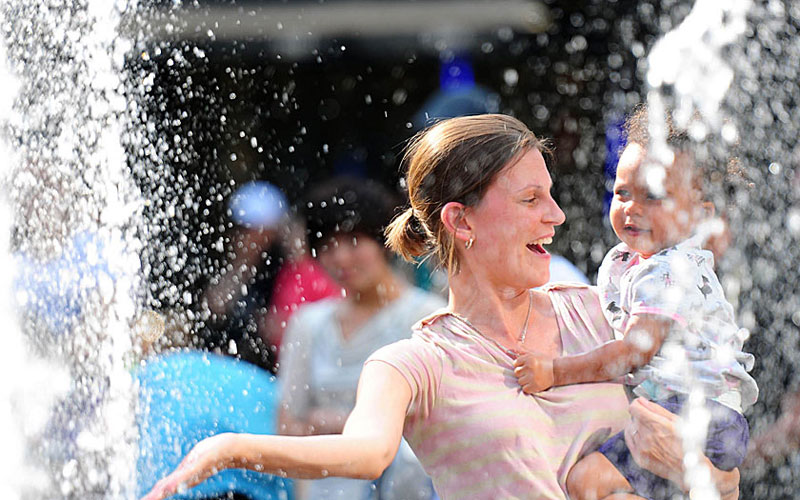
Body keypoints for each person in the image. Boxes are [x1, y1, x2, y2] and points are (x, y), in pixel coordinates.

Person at [141, 114, 741, 500]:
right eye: (532, 199)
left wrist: (708, 476)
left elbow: (715, 472)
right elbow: (363, 454)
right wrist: (227, 448)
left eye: (552, 197)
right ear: (461, 221)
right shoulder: (412, 363)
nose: (556, 217)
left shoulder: (599, 312)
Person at [513, 106, 758, 499]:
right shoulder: (634, 262)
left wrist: (555, 372)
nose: (632, 207)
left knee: (585, 481)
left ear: (699, 215)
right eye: (622, 192)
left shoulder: (668, 271)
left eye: (654, 195)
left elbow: (633, 352)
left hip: (700, 416)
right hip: (695, 413)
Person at [278, 176, 445, 499]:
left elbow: (434, 426)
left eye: (354, 240)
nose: (340, 258)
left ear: (384, 240)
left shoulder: (426, 318)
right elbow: (286, 427)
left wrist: (336, 425)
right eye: (327, 246)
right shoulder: (307, 325)